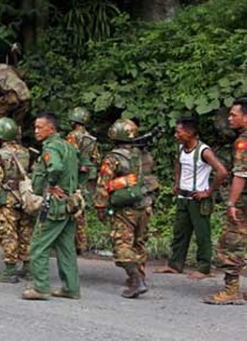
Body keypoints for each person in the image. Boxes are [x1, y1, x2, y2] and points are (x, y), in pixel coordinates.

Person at [154, 116, 227, 279]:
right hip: (183, 197)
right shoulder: (181, 149)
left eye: (178, 132)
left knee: (202, 234)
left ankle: (204, 268)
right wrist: (177, 182)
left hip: (198, 199)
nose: (176, 135)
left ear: (190, 133)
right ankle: (175, 264)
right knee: (180, 232)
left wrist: (208, 192)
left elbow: (222, 172)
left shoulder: (203, 151)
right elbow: (178, 164)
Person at [22, 113, 81, 300]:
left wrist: (52, 184)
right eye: (35, 127)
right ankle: (71, 288)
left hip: (54, 205)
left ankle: (40, 287)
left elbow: (55, 167)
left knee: (38, 245)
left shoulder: (51, 147)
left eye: (40, 127)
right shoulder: (68, 147)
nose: (36, 131)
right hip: (70, 203)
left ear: (52, 129)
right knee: (66, 247)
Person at [95, 119, 156, 298]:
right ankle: (139, 276)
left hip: (125, 208)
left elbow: (103, 185)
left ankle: (136, 279)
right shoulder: (144, 154)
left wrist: (100, 206)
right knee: (139, 242)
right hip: (145, 205)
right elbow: (150, 178)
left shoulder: (113, 158)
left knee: (121, 244)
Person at [204, 100, 247, 305]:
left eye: (234, 115)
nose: (230, 118)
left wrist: (231, 203)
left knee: (232, 242)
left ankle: (232, 291)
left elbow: (241, 174)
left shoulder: (243, 142)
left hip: (243, 203)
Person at [0, 117, 34, 283]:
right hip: (24, 196)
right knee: (25, 231)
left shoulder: (0, 155)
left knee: (8, 233)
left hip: (8, 199)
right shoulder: (26, 152)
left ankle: (10, 270)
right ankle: (28, 267)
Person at [66, 107, 100, 254]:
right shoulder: (91, 139)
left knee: (73, 206)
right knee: (83, 207)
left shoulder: (72, 136)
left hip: (75, 176)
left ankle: (74, 243)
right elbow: (96, 158)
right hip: (88, 177)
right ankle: (82, 243)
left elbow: (69, 155)